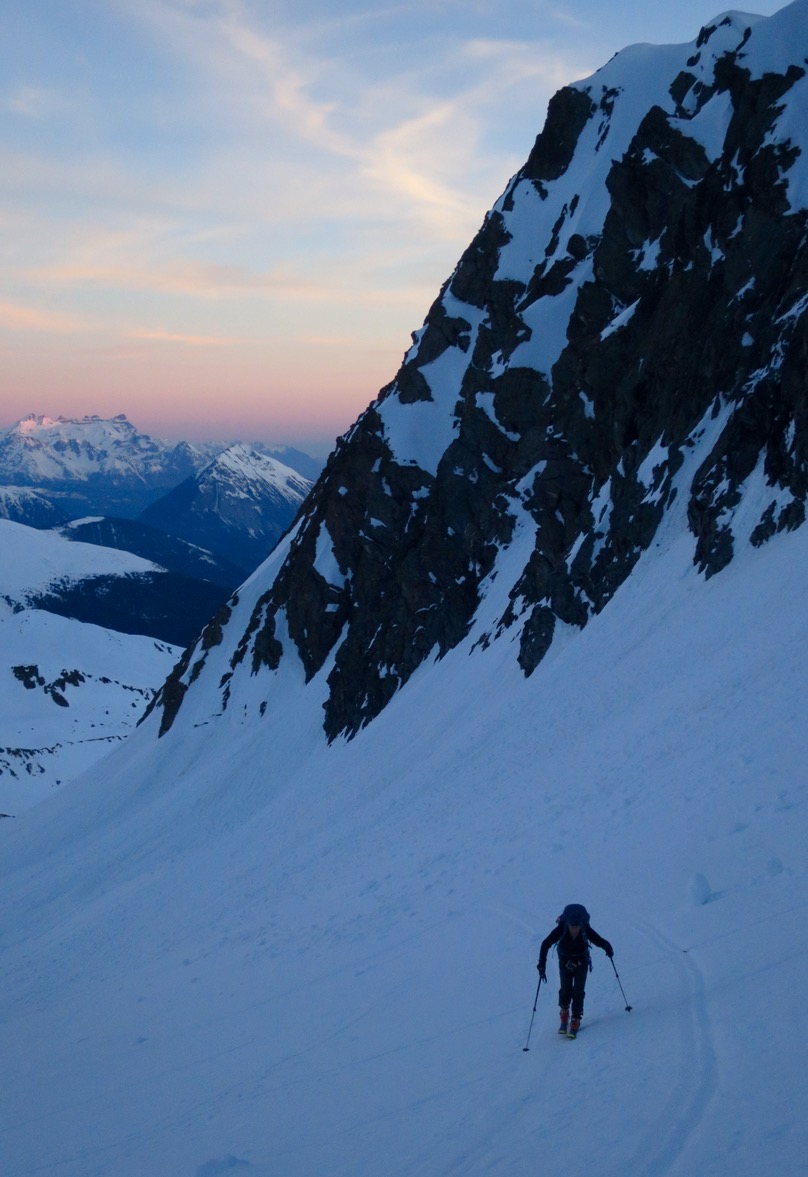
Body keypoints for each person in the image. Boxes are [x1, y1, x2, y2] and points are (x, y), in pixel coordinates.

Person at [537, 903, 613, 1036]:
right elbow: (545, 944)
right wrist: (542, 964)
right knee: (565, 989)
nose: (575, 929)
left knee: (578, 990)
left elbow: (598, 940)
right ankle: (564, 1012)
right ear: (568, 924)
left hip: (581, 961)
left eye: (577, 926)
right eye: (572, 926)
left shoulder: (585, 929)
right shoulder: (561, 929)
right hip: (565, 961)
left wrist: (608, 947)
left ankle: (576, 1018)